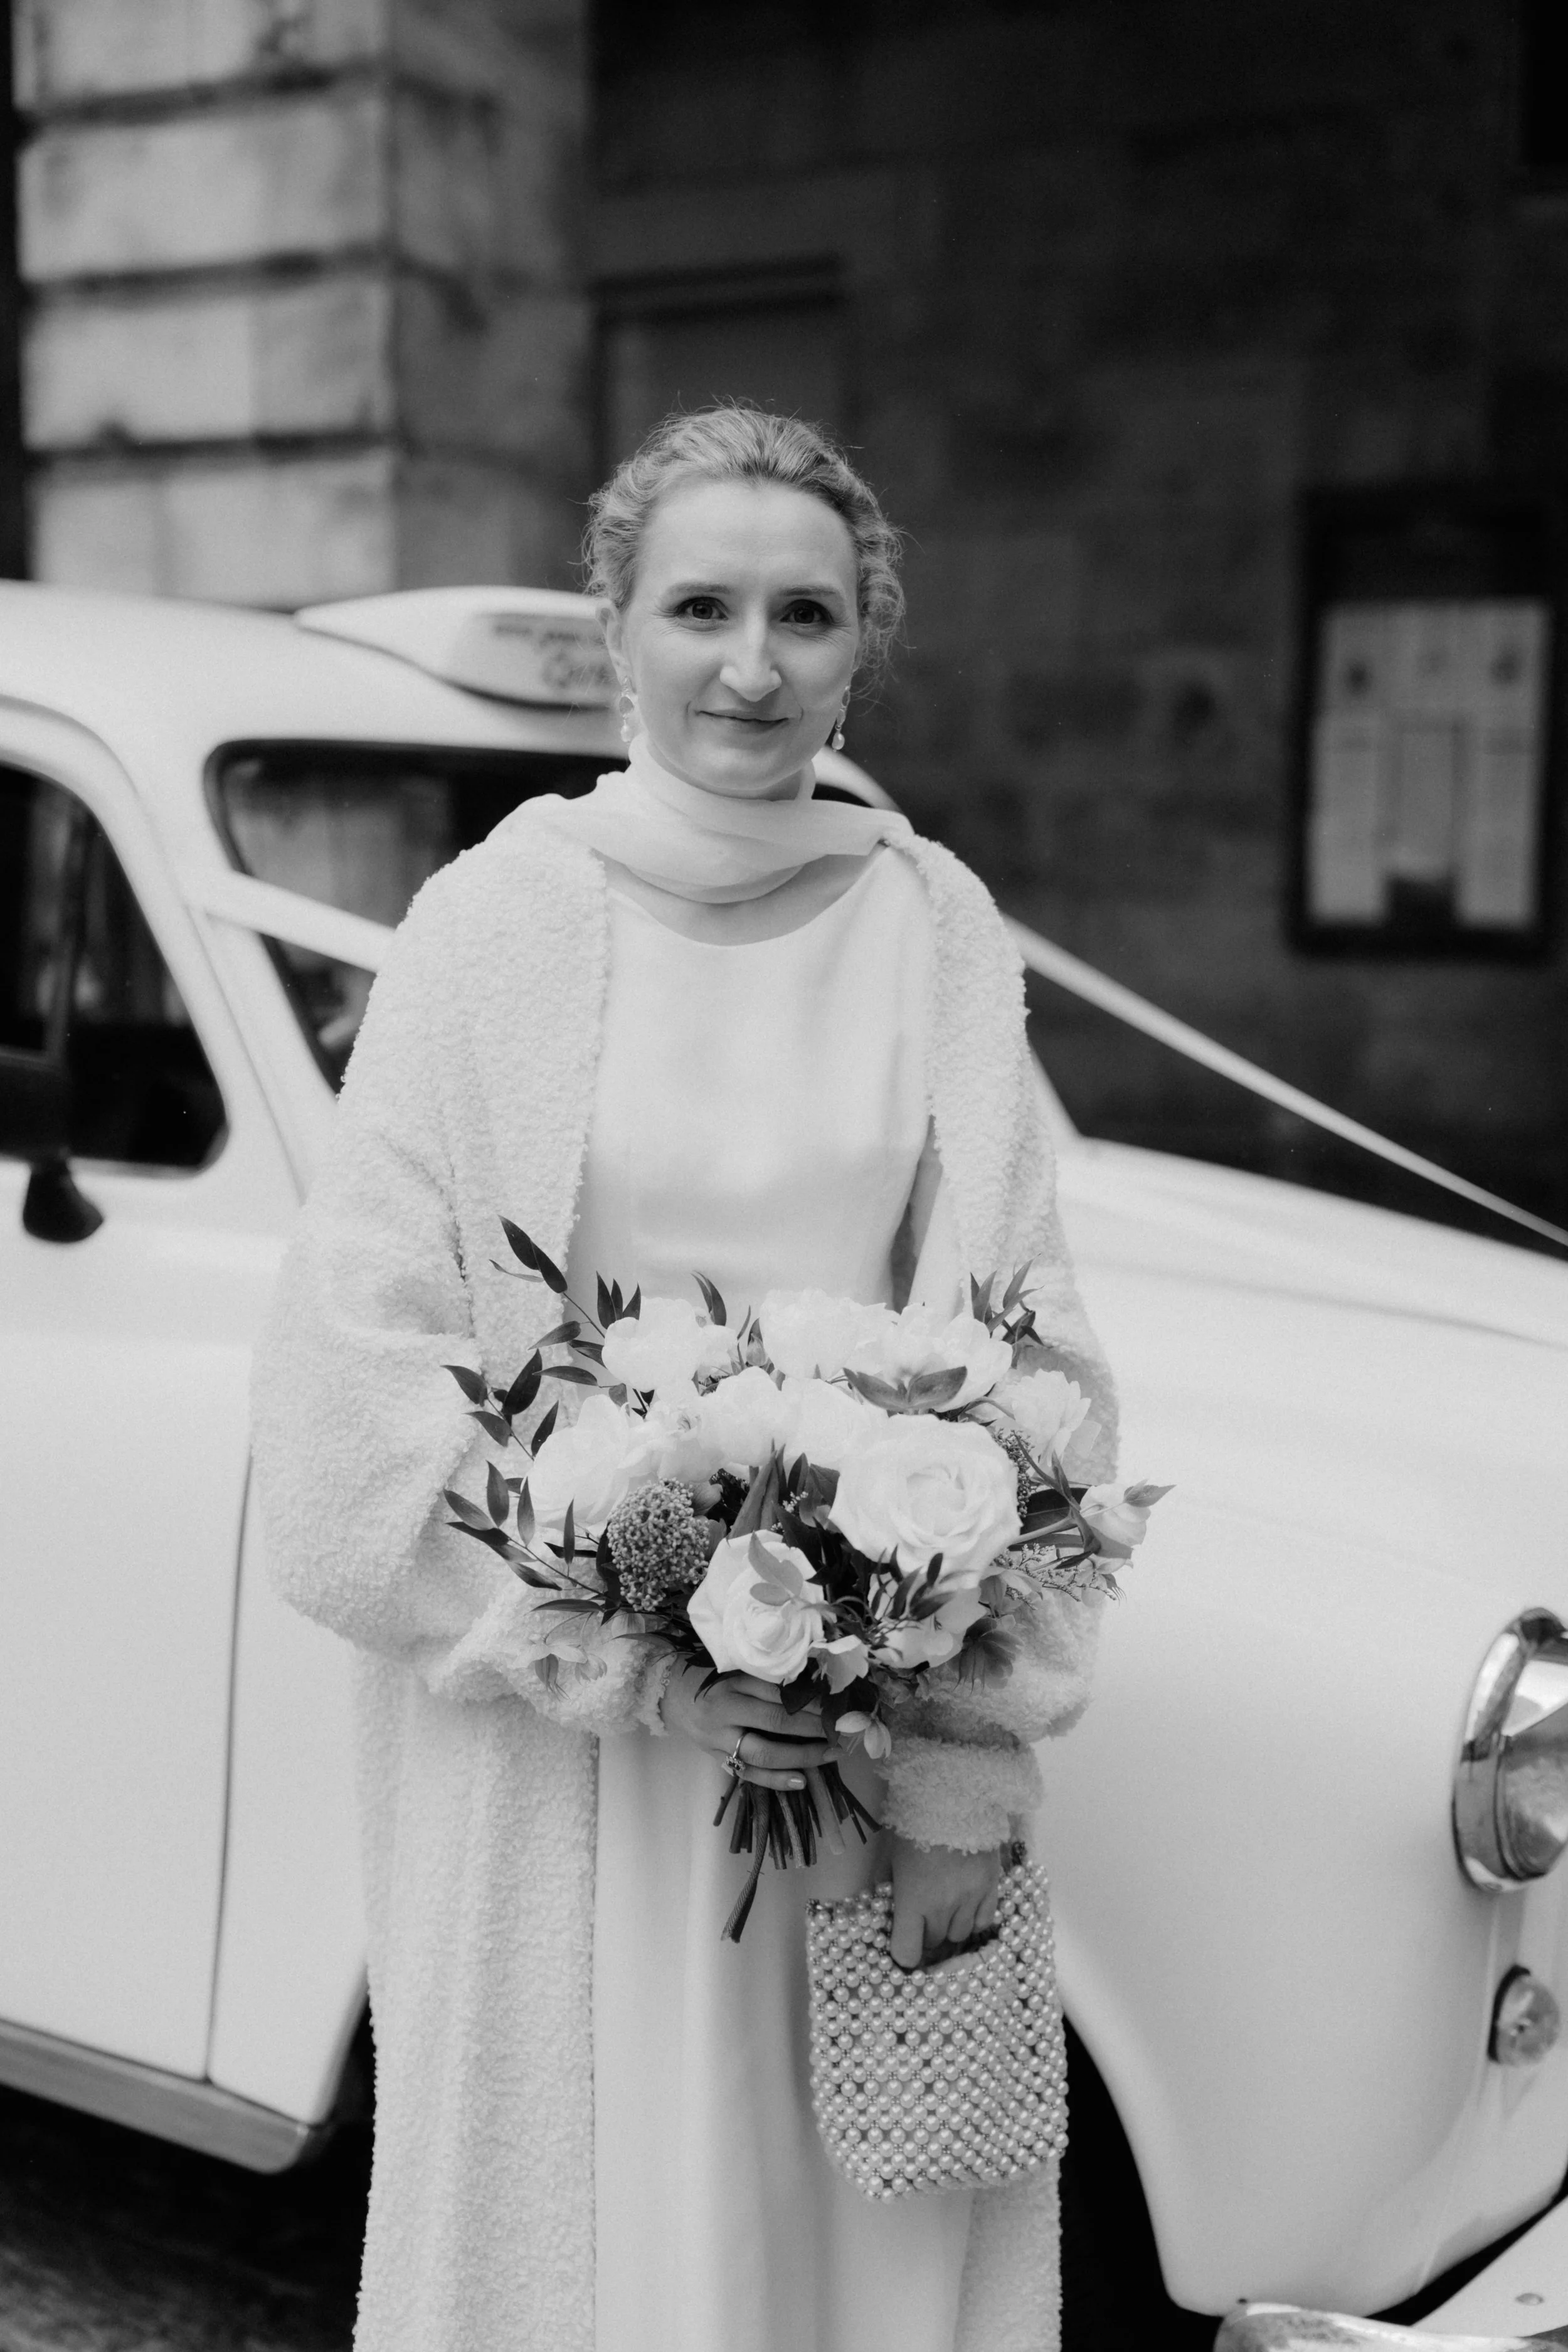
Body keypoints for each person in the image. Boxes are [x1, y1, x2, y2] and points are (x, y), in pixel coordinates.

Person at [250, 403, 1116, 2352]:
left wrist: (918, 1631)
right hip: (571, 1757)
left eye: (804, 613)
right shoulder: (493, 925)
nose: (751, 664)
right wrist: (637, 1648)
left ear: (862, 641)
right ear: (616, 628)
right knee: (605, 2239)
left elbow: (1034, 1340)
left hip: (864, 1748)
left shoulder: (936, 928)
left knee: (841, 2238)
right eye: (700, 607)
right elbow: (344, 1382)